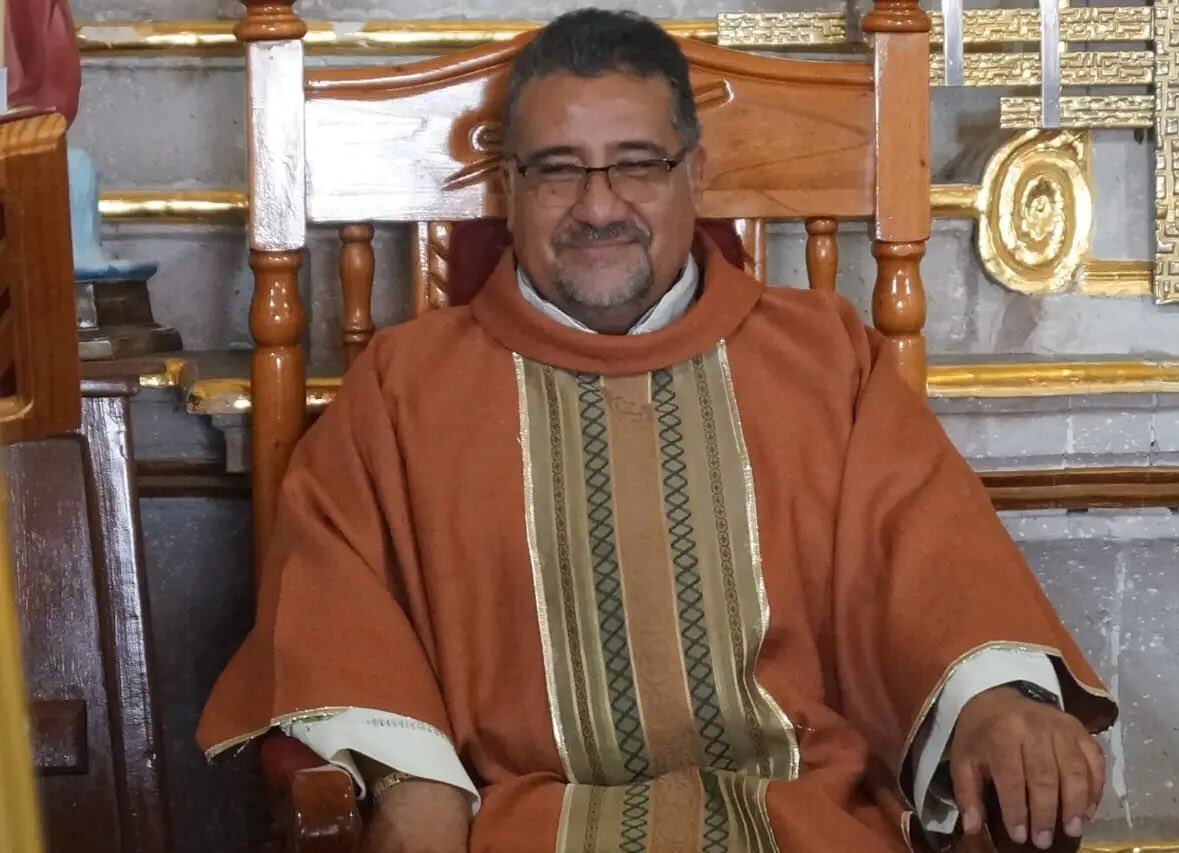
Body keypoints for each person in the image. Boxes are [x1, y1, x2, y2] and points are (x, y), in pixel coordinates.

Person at [198, 10, 1117, 852]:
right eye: (558, 168)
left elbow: (927, 563)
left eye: (637, 163)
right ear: (510, 185)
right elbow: (339, 614)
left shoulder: (827, 361)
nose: (599, 207)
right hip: (524, 831)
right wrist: (408, 783)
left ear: (695, 174)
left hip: (805, 821)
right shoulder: (404, 389)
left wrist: (993, 703)